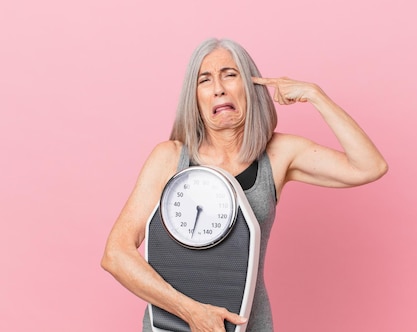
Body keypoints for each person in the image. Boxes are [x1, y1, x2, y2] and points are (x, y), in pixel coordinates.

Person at [101, 38, 388, 332]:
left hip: (250, 324)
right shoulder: (170, 157)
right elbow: (116, 254)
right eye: (205, 80)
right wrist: (190, 312)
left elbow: (370, 166)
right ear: (195, 97)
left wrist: (315, 95)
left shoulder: (277, 155)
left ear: (250, 87)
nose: (219, 88)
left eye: (230, 74)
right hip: (171, 325)